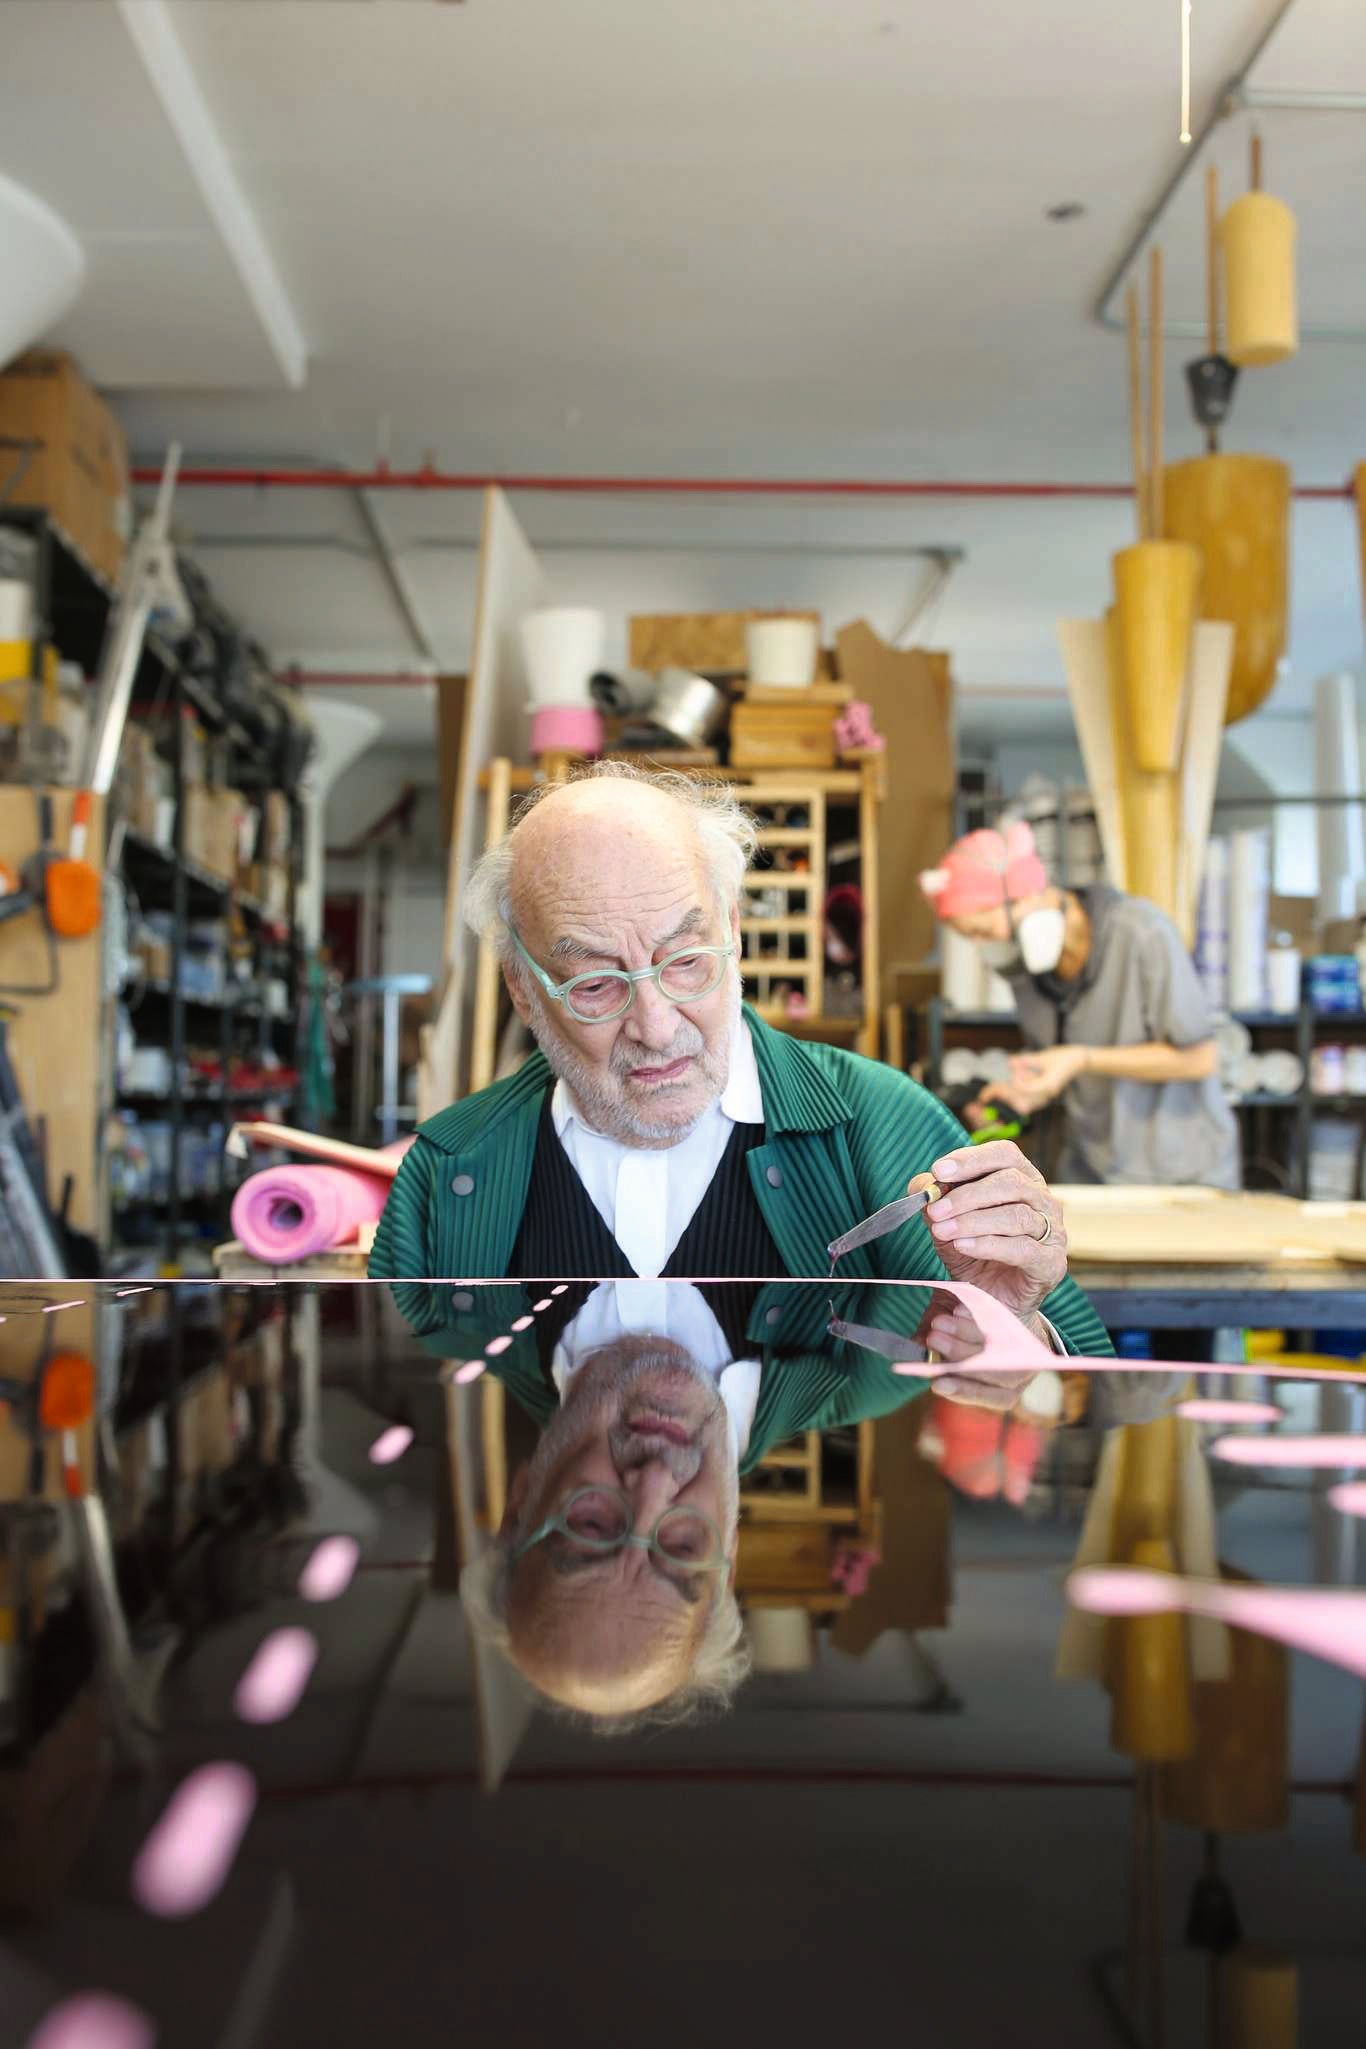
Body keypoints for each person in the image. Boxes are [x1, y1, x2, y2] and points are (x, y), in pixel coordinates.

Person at [406, 1275, 1072, 1731]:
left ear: (523, 1501)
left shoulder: (467, 1295)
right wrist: (1023, 1321)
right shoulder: (874, 1356)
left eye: (593, 1523)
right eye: (681, 1544)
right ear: (727, 1553)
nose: (656, 1481)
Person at [920, 819, 1239, 1190]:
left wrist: (1080, 1058)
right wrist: (1026, 1094)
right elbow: (1059, 1061)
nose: (984, 947)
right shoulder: (1026, 967)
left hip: (1180, 1173)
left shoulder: (1141, 932)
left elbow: (1201, 1058)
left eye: (983, 932)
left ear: (1026, 899)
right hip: (1092, 1166)